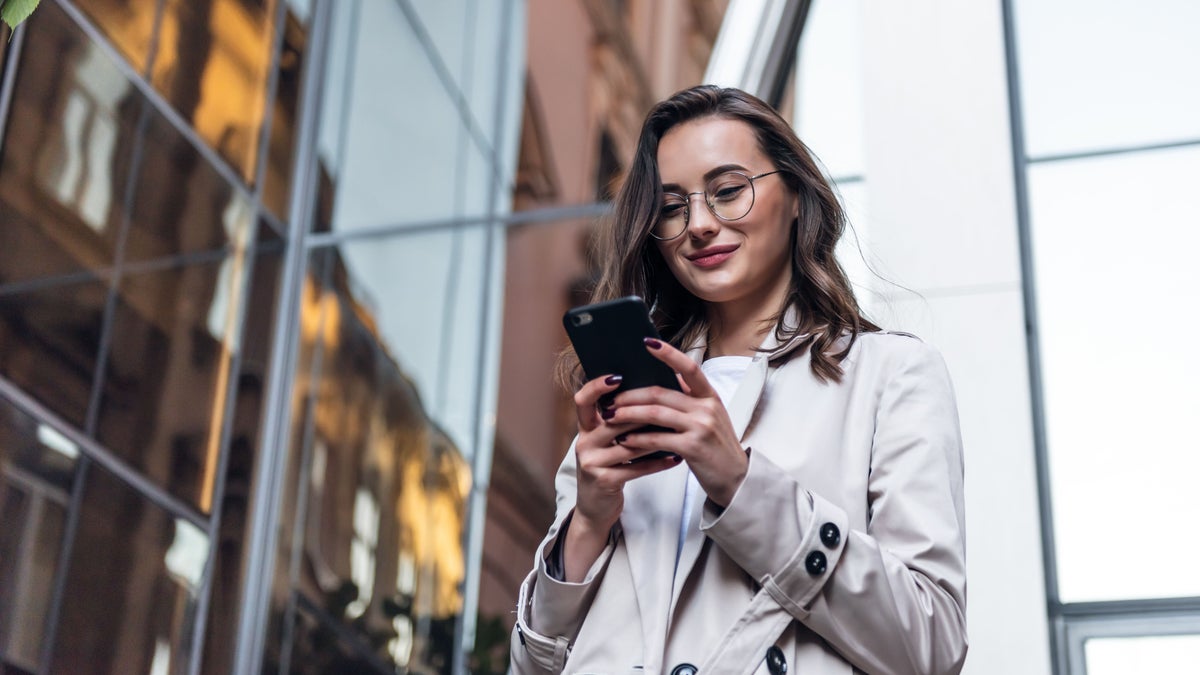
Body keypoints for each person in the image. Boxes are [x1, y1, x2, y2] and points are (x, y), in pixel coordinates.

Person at [510, 85, 967, 675]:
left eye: (727, 191)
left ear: (797, 195)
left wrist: (742, 485)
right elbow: (532, 665)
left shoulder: (891, 376)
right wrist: (588, 523)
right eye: (673, 207)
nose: (698, 224)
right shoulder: (628, 400)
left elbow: (931, 646)